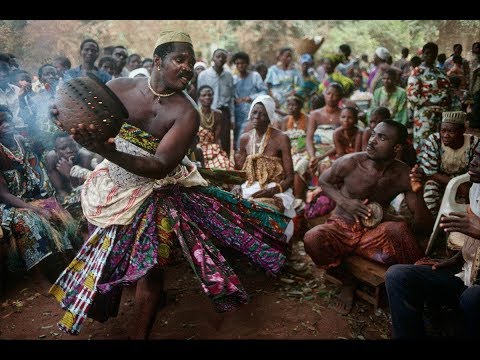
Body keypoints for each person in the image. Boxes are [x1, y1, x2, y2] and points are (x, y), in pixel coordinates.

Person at [48, 31, 292, 339]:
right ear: (157, 61)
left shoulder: (187, 112)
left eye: (192, 62)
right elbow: (84, 122)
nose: (188, 67)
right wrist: (65, 118)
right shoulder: (117, 88)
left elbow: (160, 166)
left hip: (157, 190)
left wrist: (104, 149)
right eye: (180, 59)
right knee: (99, 249)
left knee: (151, 269)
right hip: (111, 186)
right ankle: (102, 301)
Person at [303, 120, 433, 314]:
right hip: (340, 227)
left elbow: (423, 226)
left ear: (396, 147)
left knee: (399, 230)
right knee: (312, 238)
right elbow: (324, 180)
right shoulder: (351, 162)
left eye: (381, 137)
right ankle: (347, 282)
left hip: (372, 235)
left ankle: (424, 289)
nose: (371, 141)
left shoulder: (403, 174)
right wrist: (345, 202)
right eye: (373, 134)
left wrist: (419, 193)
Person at [385, 146, 480, 338]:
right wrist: (457, 258)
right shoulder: (476, 187)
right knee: (397, 275)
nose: (474, 161)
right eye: (476, 155)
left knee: (472, 298)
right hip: (468, 274)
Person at [0, 105, 78, 291]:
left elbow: (37, 170)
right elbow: (3, 194)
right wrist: (35, 209)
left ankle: (69, 266)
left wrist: (44, 201)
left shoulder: (21, 141)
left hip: (32, 197)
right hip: (9, 205)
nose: (5, 126)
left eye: (7, 120)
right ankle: (39, 277)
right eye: (0, 123)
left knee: (58, 212)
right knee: (28, 221)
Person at [235, 94, 296, 222]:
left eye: (262, 114)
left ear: (269, 117)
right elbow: (239, 173)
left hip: (275, 188)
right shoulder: (245, 139)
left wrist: (273, 190)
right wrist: (236, 185)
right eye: (254, 112)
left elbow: (290, 177)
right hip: (249, 187)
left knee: (262, 211)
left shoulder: (281, 138)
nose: (256, 117)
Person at [418, 111, 480, 216]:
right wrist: (457, 185)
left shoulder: (474, 142)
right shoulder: (434, 141)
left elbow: (475, 170)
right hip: (439, 180)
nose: (445, 135)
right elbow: (431, 173)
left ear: (462, 130)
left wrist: (462, 185)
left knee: (470, 200)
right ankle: (433, 223)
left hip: (465, 182)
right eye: (443, 131)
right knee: (430, 193)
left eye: (451, 131)